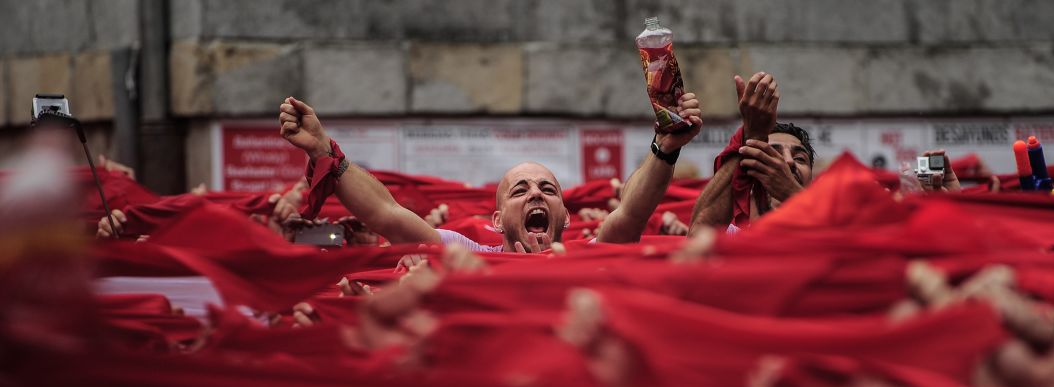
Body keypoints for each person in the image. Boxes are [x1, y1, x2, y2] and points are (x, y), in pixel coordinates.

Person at [277, 93, 702, 253]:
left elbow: (629, 215)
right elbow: (388, 216)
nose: (535, 194)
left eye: (547, 189)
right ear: (496, 221)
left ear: (568, 216)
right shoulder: (466, 255)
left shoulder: (589, 254)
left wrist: (665, 149)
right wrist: (324, 152)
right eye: (520, 190)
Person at [689, 72, 816, 234]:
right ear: (746, 178)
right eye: (772, 154)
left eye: (800, 159)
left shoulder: (830, 237)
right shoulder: (732, 238)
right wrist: (752, 135)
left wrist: (792, 193)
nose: (789, 162)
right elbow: (698, 235)